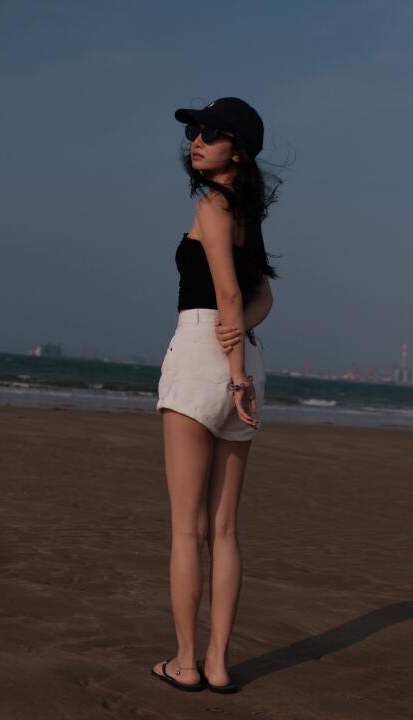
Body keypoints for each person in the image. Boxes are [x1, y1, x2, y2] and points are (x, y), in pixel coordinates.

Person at [151, 97, 281, 693]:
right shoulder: (247, 217)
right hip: (242, 352)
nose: (196, 141)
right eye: (194, 132)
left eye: (210, 133)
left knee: (188, 528)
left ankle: (186, 664)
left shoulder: (210, 206)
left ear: (239, 151)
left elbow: (228, 295)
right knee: (224, 529)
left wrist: (233, 374)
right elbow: (262, 298)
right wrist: (242, 354)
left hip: (208, 354)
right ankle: (220, 663)